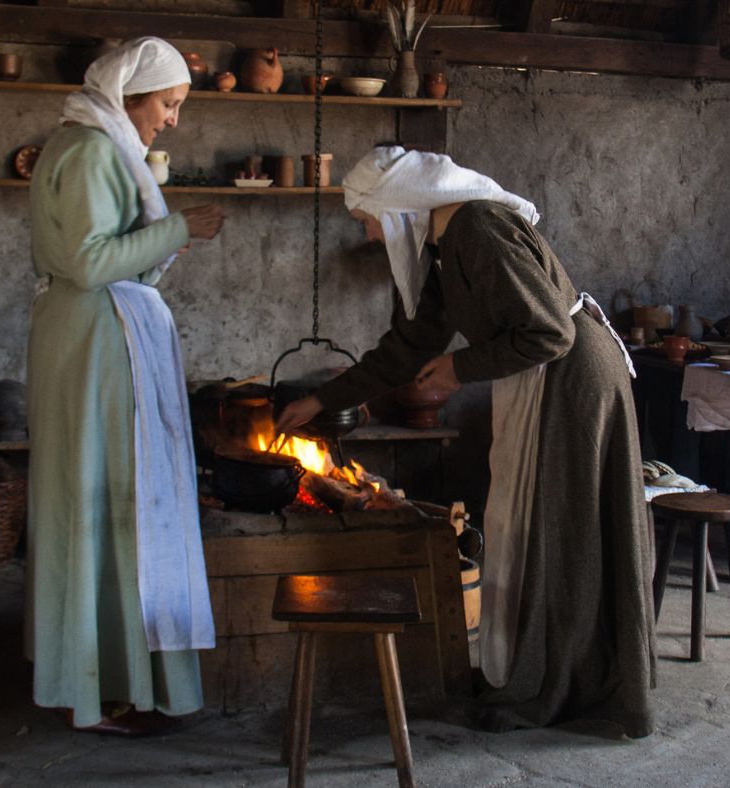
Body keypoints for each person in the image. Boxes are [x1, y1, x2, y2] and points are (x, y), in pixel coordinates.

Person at [275, 146, 656, 736]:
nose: (371, 236)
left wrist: (458, 369)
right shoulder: (444, 247)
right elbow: (409, 346)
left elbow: (549, 331)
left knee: (560, 532)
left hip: (571, 382)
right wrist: (324, 400)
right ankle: (538, 669)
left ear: (398, 204)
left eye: (366, 219)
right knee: (534, 531)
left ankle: (564, 683)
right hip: (545, 377)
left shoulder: (477, 226)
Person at [25, 37, 224, 735]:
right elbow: (88, 261)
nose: (171, 119)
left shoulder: (95, 146)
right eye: (167, 104)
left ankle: (112, 679)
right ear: (130, 99)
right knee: (105, 496)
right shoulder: (88, 151)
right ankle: (102, 688)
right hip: (94, 339)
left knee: (104, 496)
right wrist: (177, 228)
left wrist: (168, 236)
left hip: (96, 335)